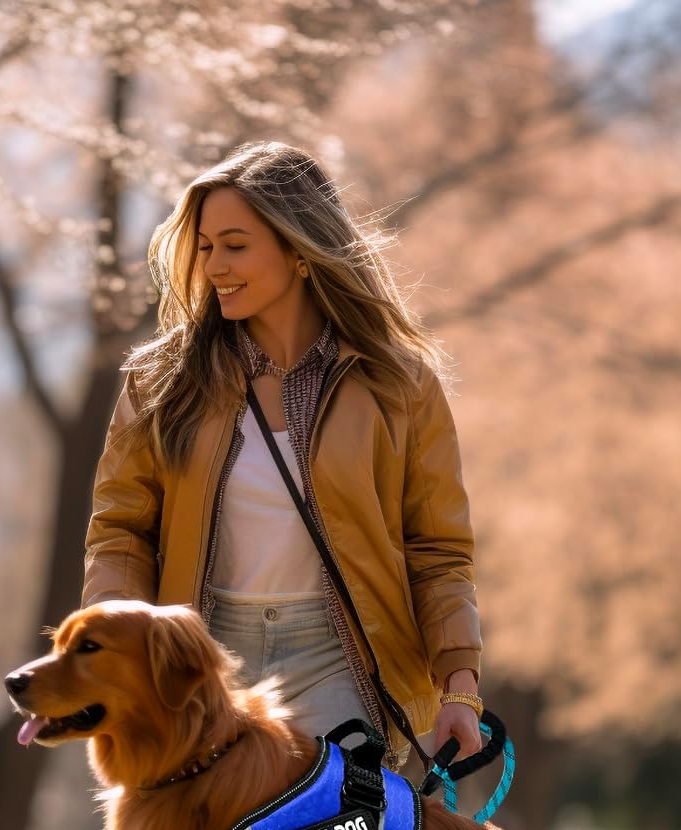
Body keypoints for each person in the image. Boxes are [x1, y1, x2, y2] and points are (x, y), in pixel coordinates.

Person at [81, 141, 481, 770]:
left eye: (236, 245)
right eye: (206, 246)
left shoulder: (398, 385)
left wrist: (459, 682)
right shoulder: (160, 382)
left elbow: (437, 549)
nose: (215, 265)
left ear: (298, 251)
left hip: (339, 660)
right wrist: (120, 653)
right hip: (203, 664)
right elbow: (121, 532)